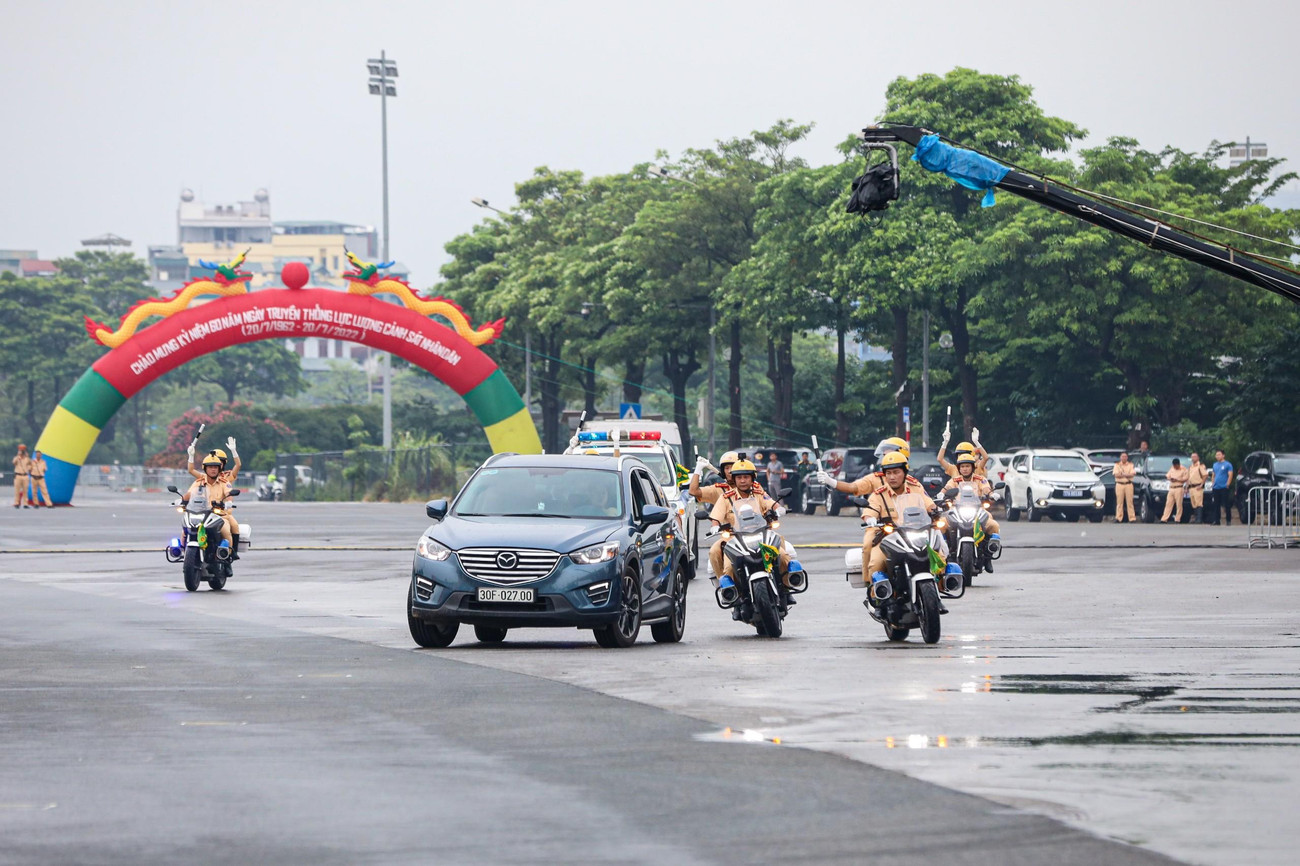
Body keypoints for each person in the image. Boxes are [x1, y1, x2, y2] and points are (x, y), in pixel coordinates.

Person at [860, 451, 961, 603]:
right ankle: (876, 595)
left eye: (896, 472)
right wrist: (871, 519)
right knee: (876, 562)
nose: (892, 477)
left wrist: (936, 510)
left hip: (916, 533)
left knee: (939, 553)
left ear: (905, 472)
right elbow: (870, 510)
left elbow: (928, 503)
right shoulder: (878, 495)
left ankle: (939, 587)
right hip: (889, 536)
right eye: (888, 473)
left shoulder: (916, 488)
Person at [709, 459, 791, 606]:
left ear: (752, 478)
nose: (742, 481)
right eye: (739, 477)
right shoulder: (725, 497)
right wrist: (715, 526)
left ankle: (786, 588)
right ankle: (730, 593)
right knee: (725, 563)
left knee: (782, 554)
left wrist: (779, 509)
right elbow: (716, 517)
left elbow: (772, 503)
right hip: (734, 539)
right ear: (734, 479)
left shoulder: (759, 493)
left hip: (762, 535)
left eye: (746, 477)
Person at [941, 452, 1001, 569]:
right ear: (959, 468)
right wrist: (940, 494)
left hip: (978, 510)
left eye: (967, 466)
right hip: (956, 510)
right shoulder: (955, 480)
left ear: (973, 467)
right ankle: (944, 553)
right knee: (941, 525)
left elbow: (986, 488)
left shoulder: (980, 479)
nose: (965, 469)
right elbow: (946, 489)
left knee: (994, 526)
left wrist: (991, 494)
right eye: (962, 466)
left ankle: (988, 557)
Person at [185, 437, 243, 557]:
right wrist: (191, 456)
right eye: (210, 465)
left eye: (217, 464)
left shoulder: (225, 479)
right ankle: (184, 552)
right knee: (185, 529)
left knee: (231, 529)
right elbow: (190, 491)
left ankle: (230, 555)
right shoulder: (200, 480)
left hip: (221, 513)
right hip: (202, 512)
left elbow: (229, 493)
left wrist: (234, 451)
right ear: (205, 467)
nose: (213, 468)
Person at [815, 436, 912, 501]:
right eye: (884, 454)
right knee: (870, 532)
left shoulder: (914, 484)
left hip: (907, 527)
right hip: (883, 526)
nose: (885, 456)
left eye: (896, 472)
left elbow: (926, 503)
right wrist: (829, 480)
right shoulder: (875, 479)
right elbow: (852, 487)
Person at [1160, 458, 1189, 523]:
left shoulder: (1184, 469)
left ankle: (1177, 519)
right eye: (1174, 466)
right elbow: (1167, 475)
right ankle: (1164, 519)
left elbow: (1185, 478)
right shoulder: (1172, 468)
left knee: (1179, 504)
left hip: (1179, 487)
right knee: (1168, 503)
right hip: (1171, 488)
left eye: (1176, 466)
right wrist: (1170, 478)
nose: (1175, 467)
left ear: (1178, 464)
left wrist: (1177, 479)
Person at [1210, 450, 1234, 526]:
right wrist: (1213, 483)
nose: (1217, 456)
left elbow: (1230, 474)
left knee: (1226, 504)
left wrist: (1228, 484)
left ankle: (1228, 520)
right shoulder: (1215, 465)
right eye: (1216, 455)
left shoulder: (1228, 464)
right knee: (1216, 504)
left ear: (1223, 455)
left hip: (1224, 487)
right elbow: (1213, 475)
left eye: (1219, 455)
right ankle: (1216, 520)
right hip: (1216, 487)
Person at [1113, 452, 1137, 522]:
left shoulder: (1130, 465)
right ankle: (1118, 518)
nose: (1124, 458)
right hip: (1119, 484)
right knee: (1119, 502)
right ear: (1120, 457)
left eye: (1125, 456)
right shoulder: (1117, 465)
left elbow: (1132, 474)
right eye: (1122, 456)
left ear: (1127, 457)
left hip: (1128, 484)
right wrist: (1126, 474)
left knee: (1130, 502)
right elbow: (1116, 475)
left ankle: (1132, 518)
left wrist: (1123, 474)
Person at [1187, 453, 1209, 524]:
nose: (1193, 458)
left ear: (1198, 458)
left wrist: (1201, 484)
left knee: (1198, 503)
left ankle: (1199, 519)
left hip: (1197, 486)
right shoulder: (1190, 467)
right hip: (1191, 487)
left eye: (1194, 457)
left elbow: (1205, 475)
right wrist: (1186, 487)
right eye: (1192, 457)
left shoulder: (1200, 466)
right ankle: (1196, 518)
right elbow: (1189, 477)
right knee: (1193, 503)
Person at [12, 443, 33, 509]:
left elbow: (31, 465)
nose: (22, 452)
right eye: (21, 450)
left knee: (25, 490)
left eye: (23, 450)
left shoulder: (27, 458)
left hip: (25, 475)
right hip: (18, 475)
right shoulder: (16, 458)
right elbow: (14, 463)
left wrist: (28, 469)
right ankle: (16, 503)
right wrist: (18, 456)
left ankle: (25, 504)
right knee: (17, 490)